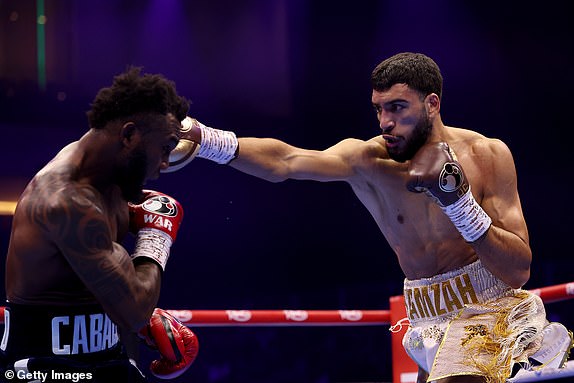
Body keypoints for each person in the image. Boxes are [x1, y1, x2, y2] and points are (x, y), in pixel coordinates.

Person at [168, 52, 572, 382]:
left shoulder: (487, 155)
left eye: (397, 108)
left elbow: (518, 270)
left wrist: (459, 202)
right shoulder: (368, 160)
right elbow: (286, 160)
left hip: (490, 307)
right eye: (378, 109)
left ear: (432, 104)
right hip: (425, 315)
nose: (385, 123)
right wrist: (206, 140)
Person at [1, 67, 198, 382]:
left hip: (108, 356)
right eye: (164, 148)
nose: (164, 164)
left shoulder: (110, 176)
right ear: (129, 135)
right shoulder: (66, 202)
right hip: (44, 367)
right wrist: (155, 237)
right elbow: (134, 313)